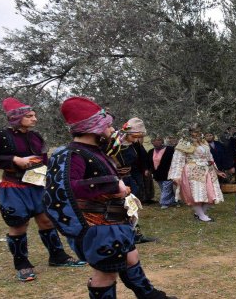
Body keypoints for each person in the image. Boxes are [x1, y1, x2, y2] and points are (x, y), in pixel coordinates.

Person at [44, 96, 176, 298]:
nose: (112, 129)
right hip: (97, 226)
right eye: (108, 125)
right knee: (106, 273)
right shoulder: (71, 154)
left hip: (114, 222)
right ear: (93, 127)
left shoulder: (95, 151)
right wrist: (113, 185)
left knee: (131, 258)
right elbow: (65, 188)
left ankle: (150, 295)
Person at [0, 97, 84, 282]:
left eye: (34, 115)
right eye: (29, 116)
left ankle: (57, 256)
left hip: (37, 186)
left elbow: (44, 160)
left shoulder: (35, 136)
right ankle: (22, 264)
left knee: (47, 221)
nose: (35, 119)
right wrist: (13, 160)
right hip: (13, 188)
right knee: (18, 225)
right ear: (17, 117)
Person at [106, 118, 157, 244]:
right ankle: (120, 235)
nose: (137, 139)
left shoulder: (133, 145)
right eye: (135, 136)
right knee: (119, 208)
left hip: (129, 178)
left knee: (132, 207)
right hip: (115, 181)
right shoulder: (111, 143)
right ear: (128, 133)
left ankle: (135, 234)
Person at [168, 126, 226, 222]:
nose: (197, 132)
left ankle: (199, 214)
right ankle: (201, 216)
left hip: (207, 170)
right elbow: (177, 159)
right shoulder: (184, 142)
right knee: (196, 195)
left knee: (212, 194)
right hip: (192, 171)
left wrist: (217, 170)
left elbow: (210, 158)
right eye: (195, 131)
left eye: (199, 130)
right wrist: (176, 175)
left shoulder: (203, 141)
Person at [147, 136, 176, 209]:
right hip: (157, 174)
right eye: (154, 140)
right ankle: (174, 201)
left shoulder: (170, 149)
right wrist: (148, 170)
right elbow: (148, 163)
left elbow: (175, 161)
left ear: (162, 141)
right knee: (164, 189)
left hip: (168, 173)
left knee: (166, 188)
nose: (157, 142)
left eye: (159, 140)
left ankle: (164, 203)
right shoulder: (150, 151)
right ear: (152, 142)